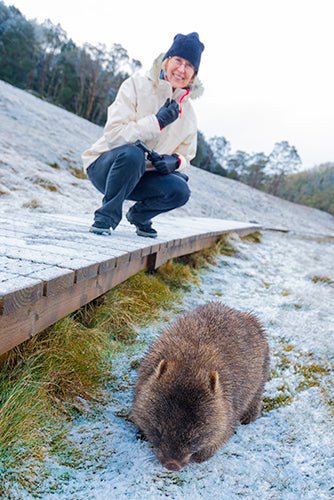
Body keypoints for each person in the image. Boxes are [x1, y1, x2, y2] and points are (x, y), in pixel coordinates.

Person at [82, 32, 205, 238]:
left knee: (180, 190)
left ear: (194, 74)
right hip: (106, 168)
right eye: (178, 60)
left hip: (141, 178)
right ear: (167, 61)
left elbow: (187, 154)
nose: (181, 69)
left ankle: (139, 216)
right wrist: (157, 122)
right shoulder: (135, 85)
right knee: (133, 154)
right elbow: (114, 135)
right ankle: (105, 218)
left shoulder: (189, 115)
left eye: (189, 65)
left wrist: (174, 162)